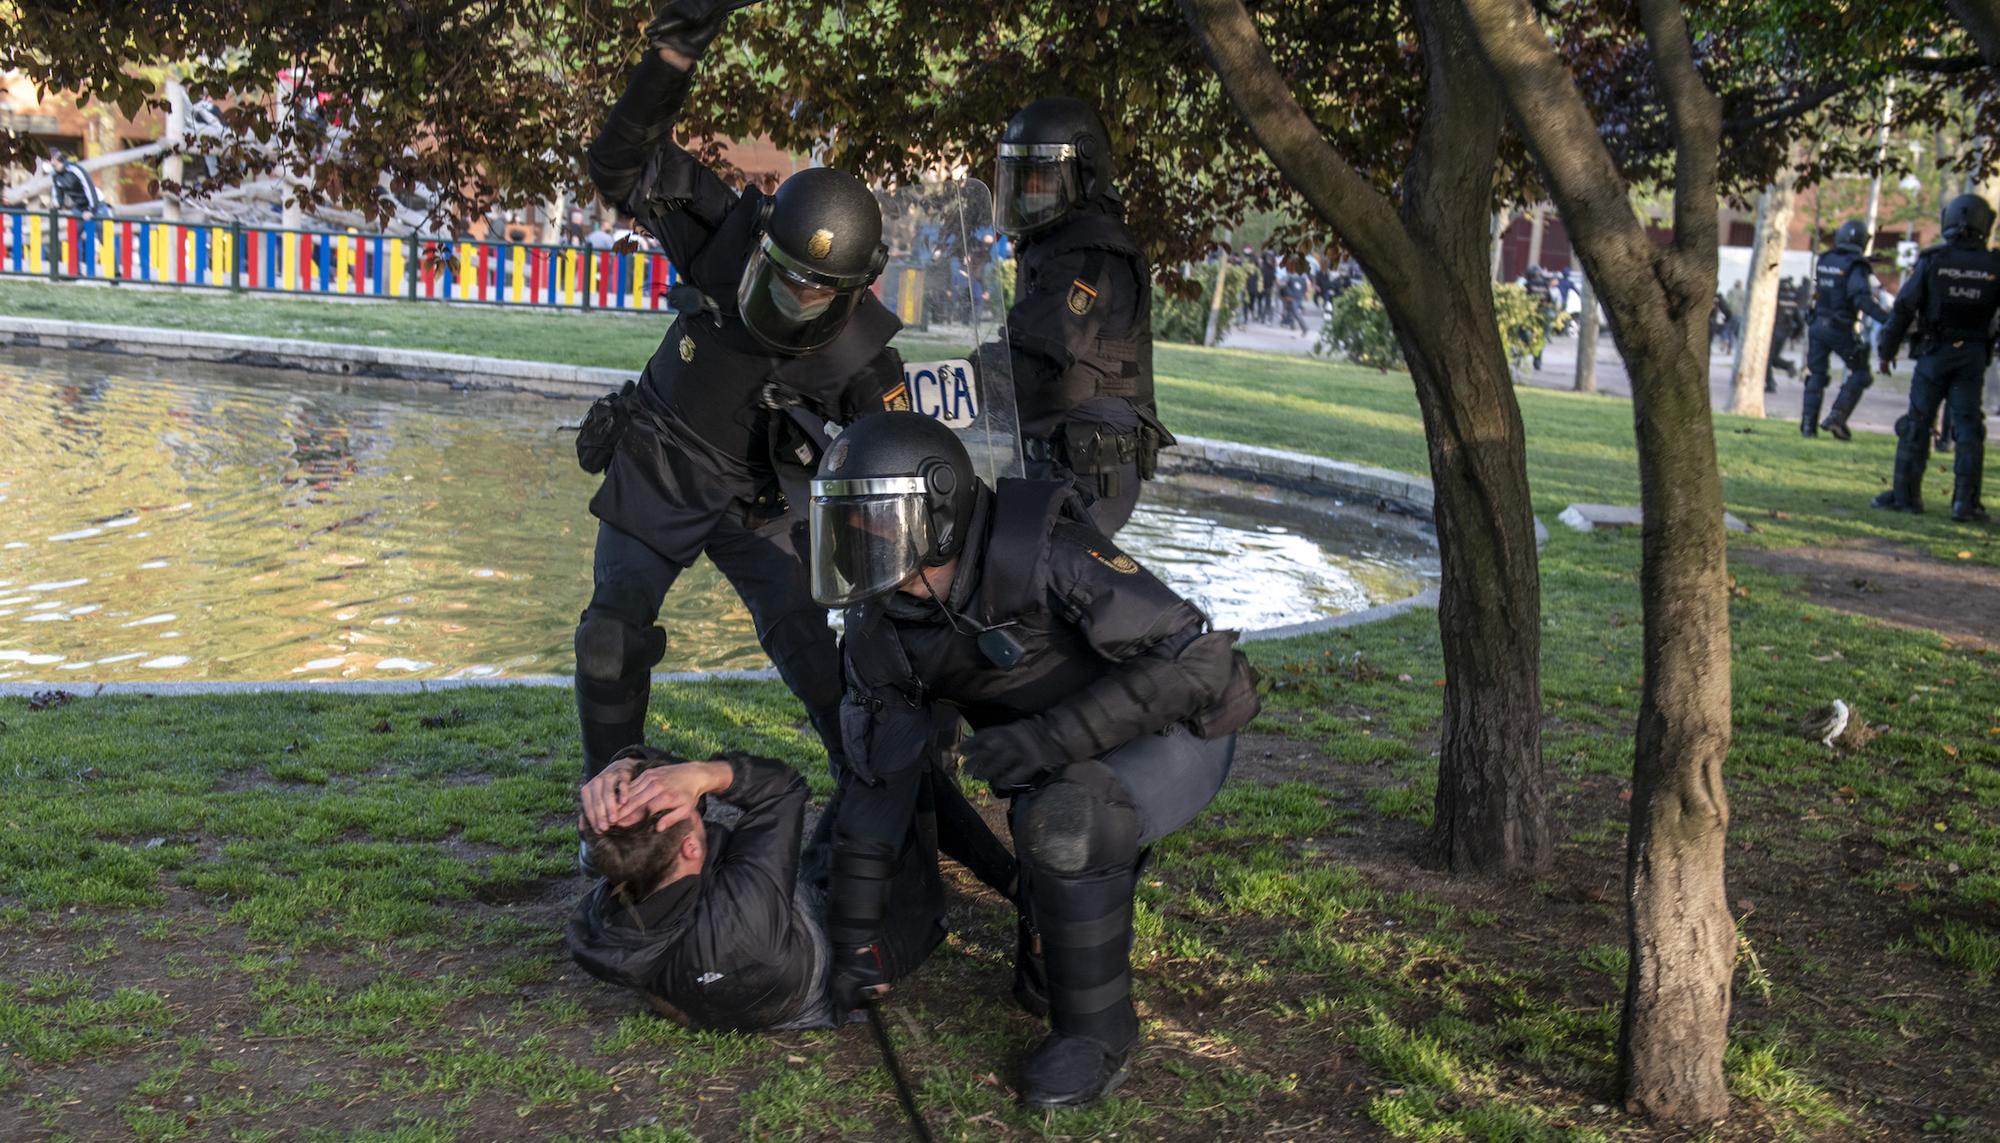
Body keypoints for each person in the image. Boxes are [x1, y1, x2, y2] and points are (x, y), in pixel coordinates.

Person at [808, 412, 1261, 1108]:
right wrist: (855, 934)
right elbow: (880, 774)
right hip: (1052, 760)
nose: (859, 542)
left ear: (938, 510)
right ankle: (1058, 919)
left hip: (1173, 736)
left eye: (874, 522)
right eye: (849, 525)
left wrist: (1049, 737)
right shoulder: (882, 624)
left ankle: (1098, 1033)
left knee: (1066, 818)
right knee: (1040, 965)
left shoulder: (1046, 549)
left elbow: (1197, 659)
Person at [570, 0, 906, 784]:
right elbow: (618, 165)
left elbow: (899, 501)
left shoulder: (865, 364)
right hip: (663, 457)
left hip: (766, 501)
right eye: (778, 279)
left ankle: (877, 807)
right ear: (763, 244)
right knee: (608, 638)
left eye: (814, 294)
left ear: (853, 292)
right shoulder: (729, 228)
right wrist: (674, 56)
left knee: (826, 671)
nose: (789, 302)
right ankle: (608, 801)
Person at [569, 744, 1018, 1031]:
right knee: (906, 768)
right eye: (691, 810)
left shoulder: (599, 927)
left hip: (787, 930)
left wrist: (625, 763)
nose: (696, 803)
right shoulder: (741, 907)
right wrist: (705, 774)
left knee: (865, 776)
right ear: (689, 848)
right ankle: (1020, 887)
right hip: (856, 954)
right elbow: (783, 788)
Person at [989, 97, 1172, 536]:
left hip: (1085, 472)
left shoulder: (1091, 255)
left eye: (1041, 180)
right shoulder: (1056, 243)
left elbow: (1032, 356)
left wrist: (943, 389)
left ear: (1083, 174)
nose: (1030, 192)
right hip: (1056, 461)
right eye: (1023, 179)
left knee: (1031, 583)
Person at [1874, 193, 2000, 522]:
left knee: (1918, 422)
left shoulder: (1934, 261)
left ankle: (1905, 496)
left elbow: (1903, 307)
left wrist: (1886, 351)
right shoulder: (1994, 265)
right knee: (1969, 428)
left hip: (1934, 353)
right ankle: (1965, 503)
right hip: (1972, 356)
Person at [1805, 220, 1892, 440]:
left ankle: (1808, 427)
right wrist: (1887, 319)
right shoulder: (1856, 265)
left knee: (1816, 375)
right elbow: (1861, 298)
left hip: (1817, 325)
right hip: (1839, 328)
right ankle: (1837, 418)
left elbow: (1818, 291)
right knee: (1861, 373)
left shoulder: (1825, 259)